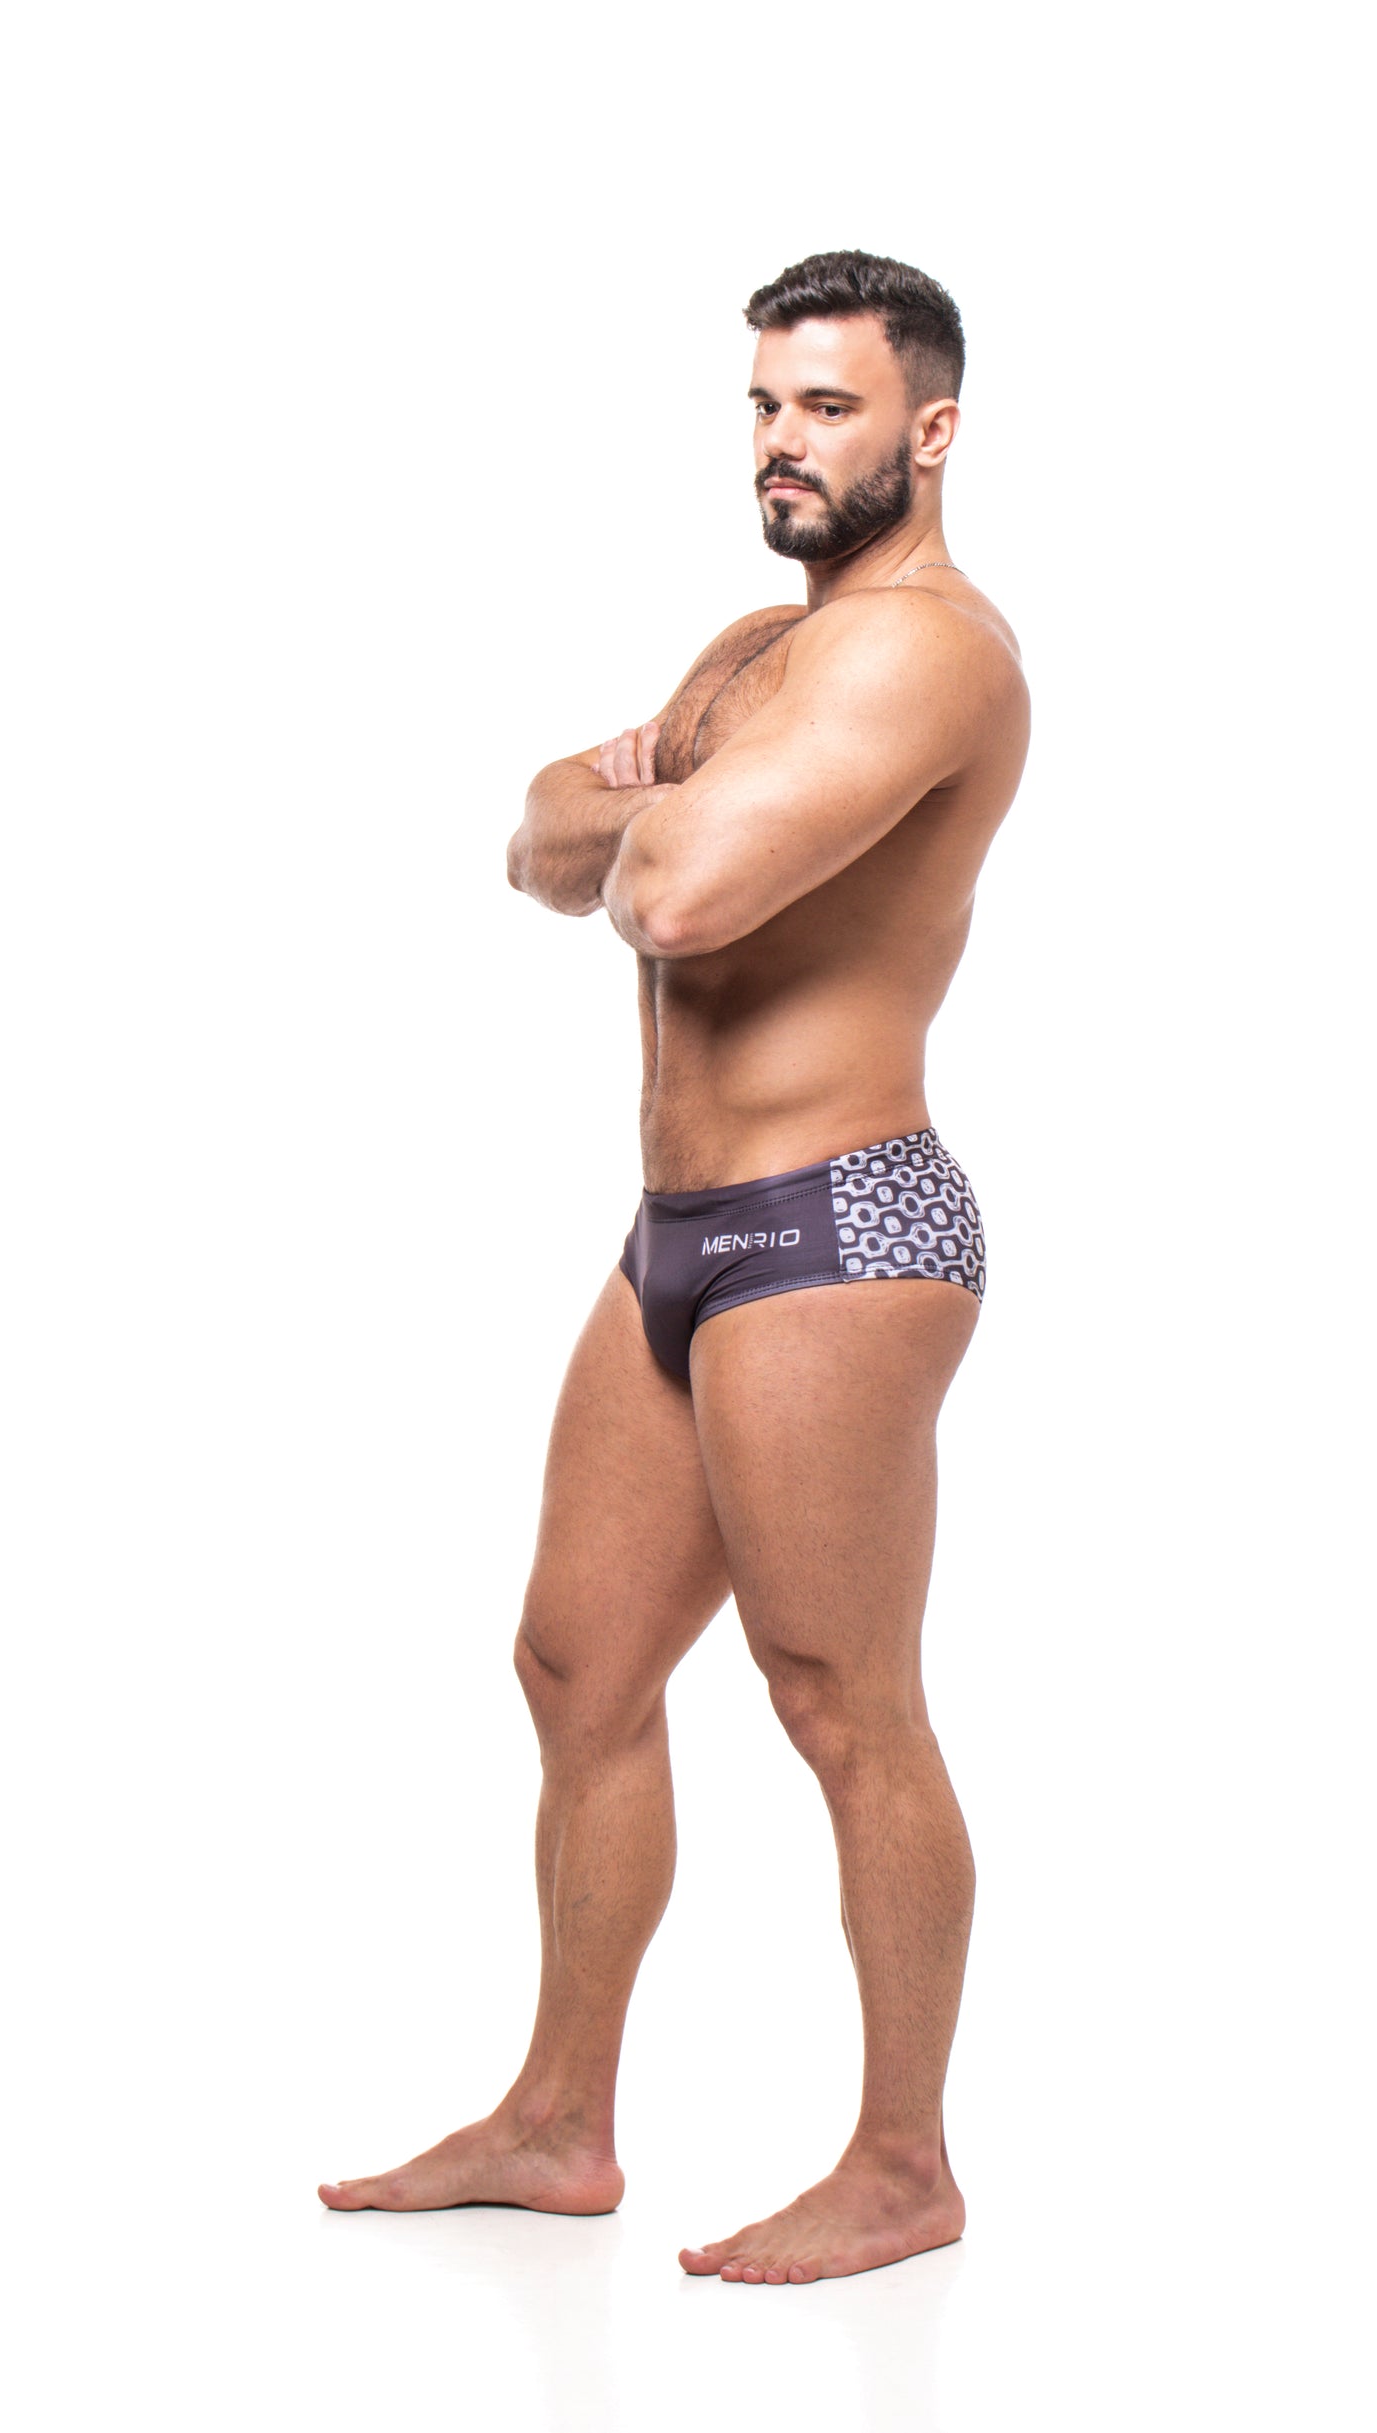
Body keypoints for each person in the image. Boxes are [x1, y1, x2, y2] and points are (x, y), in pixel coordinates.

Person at [320, 250, 1029, 2285]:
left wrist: (647, 805)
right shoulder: (755, 648)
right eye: (765, 407)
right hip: (676, 1233)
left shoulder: (931, 657)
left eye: (830, 408)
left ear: (931, 430)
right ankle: (558, 2122)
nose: (785, 444)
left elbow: (669, 884)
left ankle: (901, 2161)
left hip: (842, 1221)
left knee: (838, 1698)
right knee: (575, 1666)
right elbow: (537, 843)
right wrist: (619, 817)